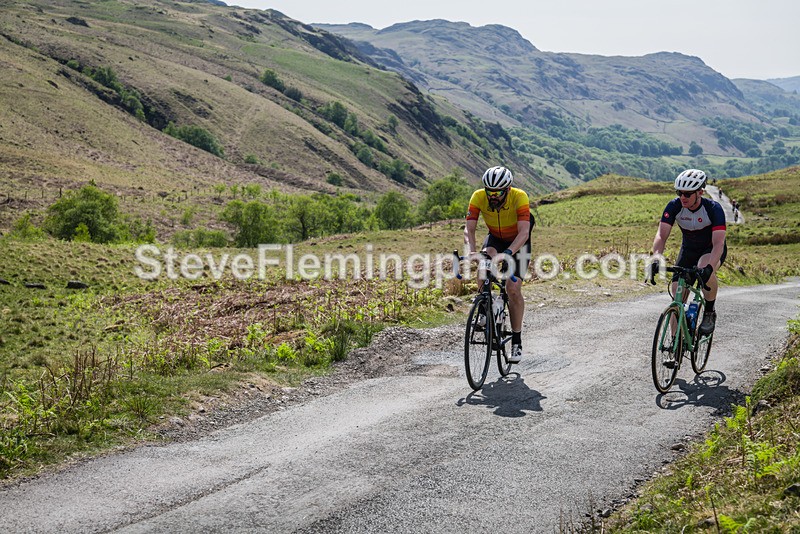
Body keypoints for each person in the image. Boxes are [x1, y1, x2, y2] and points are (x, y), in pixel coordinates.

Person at [464, 166, 532, 363]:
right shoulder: (478, 196)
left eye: (498, 193)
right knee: (483, 266)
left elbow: (524, 233)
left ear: (508, 190)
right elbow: (469, 229)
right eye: (490, 192)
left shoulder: (519, 197)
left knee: (512, 289)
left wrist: (508, 253)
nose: (493, 196)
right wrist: (472, 252)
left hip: (518, 243)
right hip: (495, 238)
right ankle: (484, 309)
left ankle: (517, 341)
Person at [650, 169, 727, 335]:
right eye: (679, 193)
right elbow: (661, 236)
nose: (682, 197)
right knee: (677, 294)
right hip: (688, 250)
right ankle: (674, 343)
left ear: (700, 192)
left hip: (711, 249)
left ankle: (709, 312)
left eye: (687, 194)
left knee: (704, 268)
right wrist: (656, 258)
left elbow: (719, 243)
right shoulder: (674, 206)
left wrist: (710, 268)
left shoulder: (713, 209)